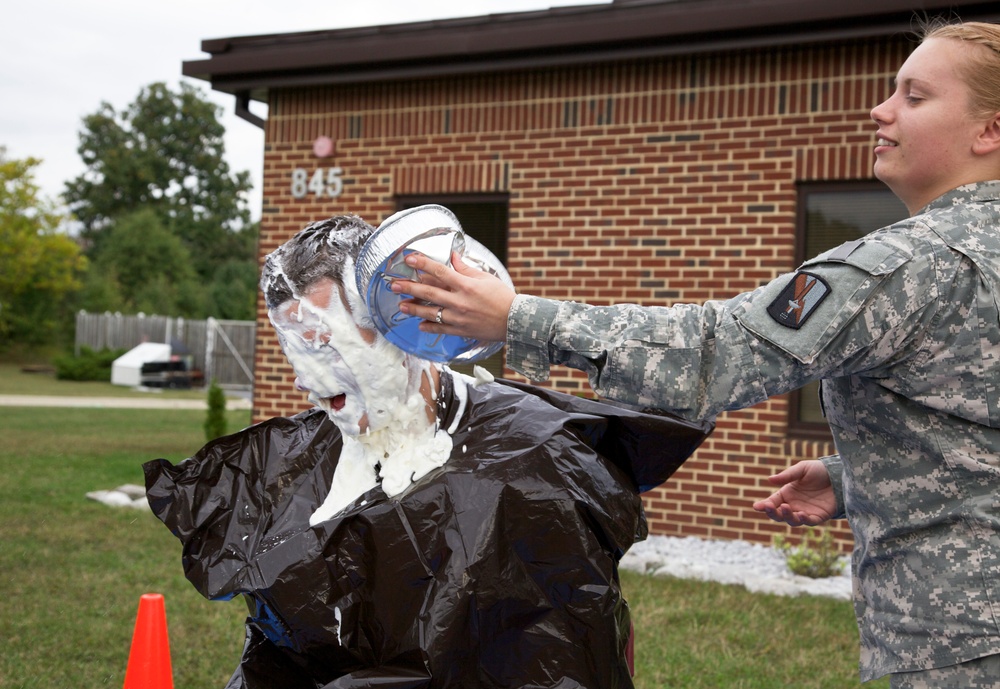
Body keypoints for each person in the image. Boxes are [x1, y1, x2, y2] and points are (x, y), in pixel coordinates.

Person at [389, 19, 1000, 688]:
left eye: (914, 96)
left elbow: (712, 352)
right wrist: (855, 476)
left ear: (989, 130)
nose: (880, 109)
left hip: (966, 649)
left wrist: (516, 317)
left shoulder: (907, 266)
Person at [144, 214, 711, 688]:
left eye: (324, 344)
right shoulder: (292, 464)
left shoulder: (527, 464)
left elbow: (564, 657)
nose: (307, 382)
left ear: (403, 326)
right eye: (293, 349)